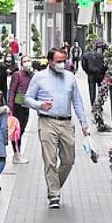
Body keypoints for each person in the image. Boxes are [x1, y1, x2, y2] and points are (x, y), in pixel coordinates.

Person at [23, 48, 90, 209]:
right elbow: (27, 98)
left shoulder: (70, 77)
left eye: (64, 61)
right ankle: (54, 195)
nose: (62, 64)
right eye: (59, 61)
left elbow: (77, 101)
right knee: (50, 160)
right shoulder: (39, 77)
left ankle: (54, 185)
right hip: (47, 122)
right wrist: (40, 105)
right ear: (50, 61)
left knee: (68, 160)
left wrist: (84, 123)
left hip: (66, 122)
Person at [7, 57, 34, 163]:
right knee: (17, 131)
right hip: (17, 106)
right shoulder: (17, 75)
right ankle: (16, 154)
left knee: (22, 130)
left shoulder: (32, 75)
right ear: (21, 64)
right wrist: (10, 107)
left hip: (26, 106)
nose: (27, 63)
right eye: (25, 61)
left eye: (29, 61)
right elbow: (12, 90)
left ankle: (17, 153)